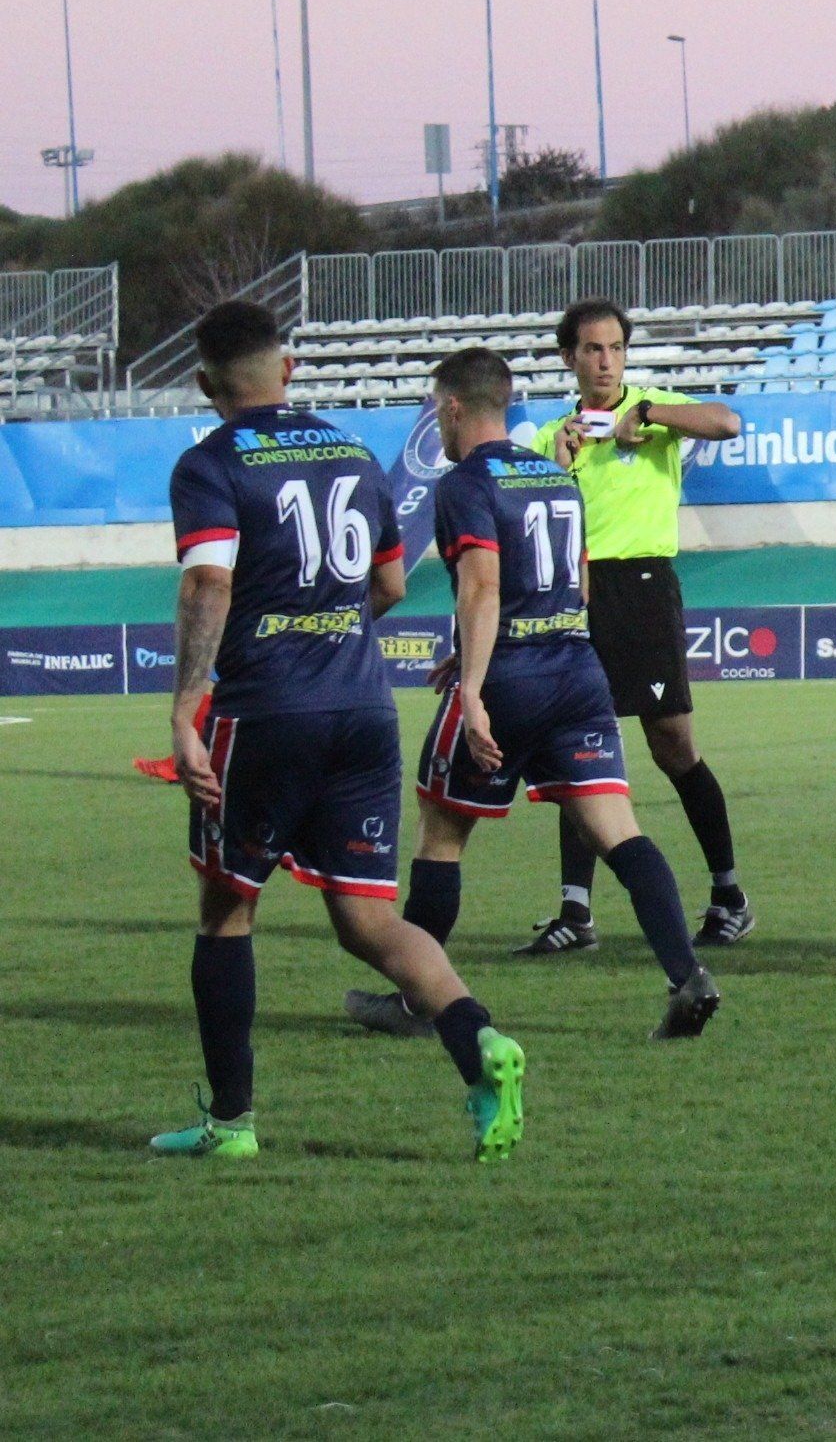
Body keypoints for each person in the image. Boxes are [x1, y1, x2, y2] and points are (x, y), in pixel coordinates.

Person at [156, 300, 527, 1162]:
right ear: (287, 372)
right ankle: (479, 1043)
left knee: (226, 912)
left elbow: (208, 584)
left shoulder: (209, 463)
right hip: (363, 708)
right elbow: (392, 582)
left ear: (207, 384)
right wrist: (324, 625)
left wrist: (186, 704)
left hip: (266, 712)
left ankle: (231, 1123)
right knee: (367, 917)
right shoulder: (355, 453)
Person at [344, 348, 721, 1042]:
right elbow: (574, 583)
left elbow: (483, 585)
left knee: (441, 831)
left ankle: (416, 1002)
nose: (436, 418)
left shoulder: (464, 484)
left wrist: (474, 683)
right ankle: (685, 974)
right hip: (577, 670)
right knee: (619, 831)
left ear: (454, 407)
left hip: (512, 675)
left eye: (437, 406)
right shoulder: (555, 474)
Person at [515, 300, 754, 956]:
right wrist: (556, 464)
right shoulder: (551, 433)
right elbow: (527, 508)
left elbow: (727, 421)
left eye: (615, 347)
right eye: (592, 349)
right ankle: (576, 911)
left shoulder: (651, 410)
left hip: (645, 587)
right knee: (577, 749)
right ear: (569, 357)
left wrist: (646, 415)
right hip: (577, 593)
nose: (606, 360)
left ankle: (729, 894)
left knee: (672, 744)